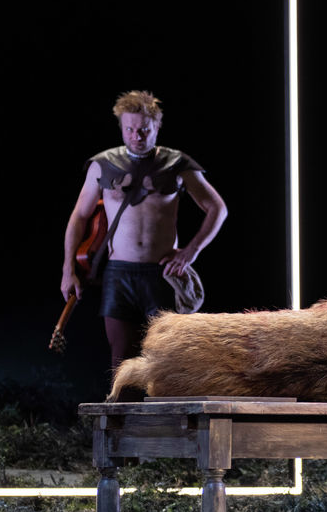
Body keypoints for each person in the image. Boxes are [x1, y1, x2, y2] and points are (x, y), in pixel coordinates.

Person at [61, 91, 227, 372]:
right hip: (119, 273)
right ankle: (120, 403)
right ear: (121, 127)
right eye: (129, 129)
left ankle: (165, 403)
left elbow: (218, 208)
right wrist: (68, 270)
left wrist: (191, 252)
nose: (136, 136)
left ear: (157, 127)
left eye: (144, 130)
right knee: (121, 359)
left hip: (160, 273)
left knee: (165, 358)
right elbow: (78, 217)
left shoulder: (177, 164)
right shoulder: (102, 164)